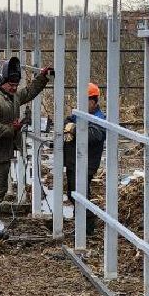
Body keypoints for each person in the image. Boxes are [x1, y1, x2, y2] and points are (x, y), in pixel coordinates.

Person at [0, 55, 52, 238]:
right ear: (3, 82)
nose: (14, 87)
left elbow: (28, 92)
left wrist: (42, 78)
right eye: (10, 84)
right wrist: (11, 129)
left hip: (1, 152)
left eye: (15, 84)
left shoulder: (11, 97)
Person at [63, 82, 106, 231]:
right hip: (74, 161)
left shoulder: (99, 118)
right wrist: (68, 127)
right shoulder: (81, 115)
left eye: (84, 101)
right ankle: (81, 225)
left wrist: (74, 130)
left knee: (80, 194)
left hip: (86, 163)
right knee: (73, 193)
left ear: (93, 102)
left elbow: (93, 135)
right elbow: (68, 121)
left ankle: (87, 228)